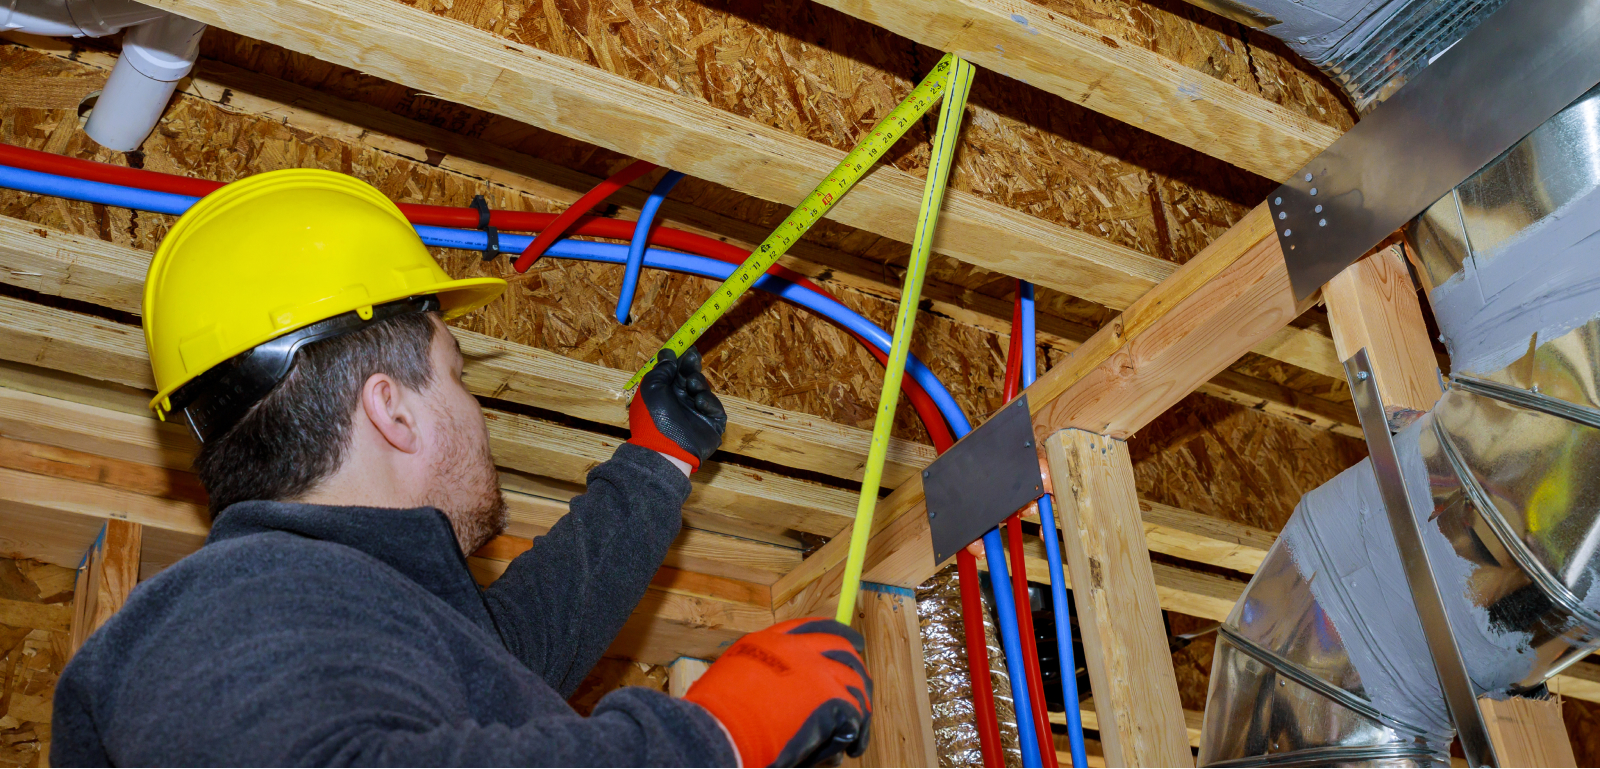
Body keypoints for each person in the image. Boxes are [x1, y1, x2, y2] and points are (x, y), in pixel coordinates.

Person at [50, 169, 872, 767]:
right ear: (392, 411)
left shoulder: (315, 613)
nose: (477, 410)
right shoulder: (225, 607)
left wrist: (657, 462)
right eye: (457, 375)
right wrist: (712, 737)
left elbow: (517, 644)